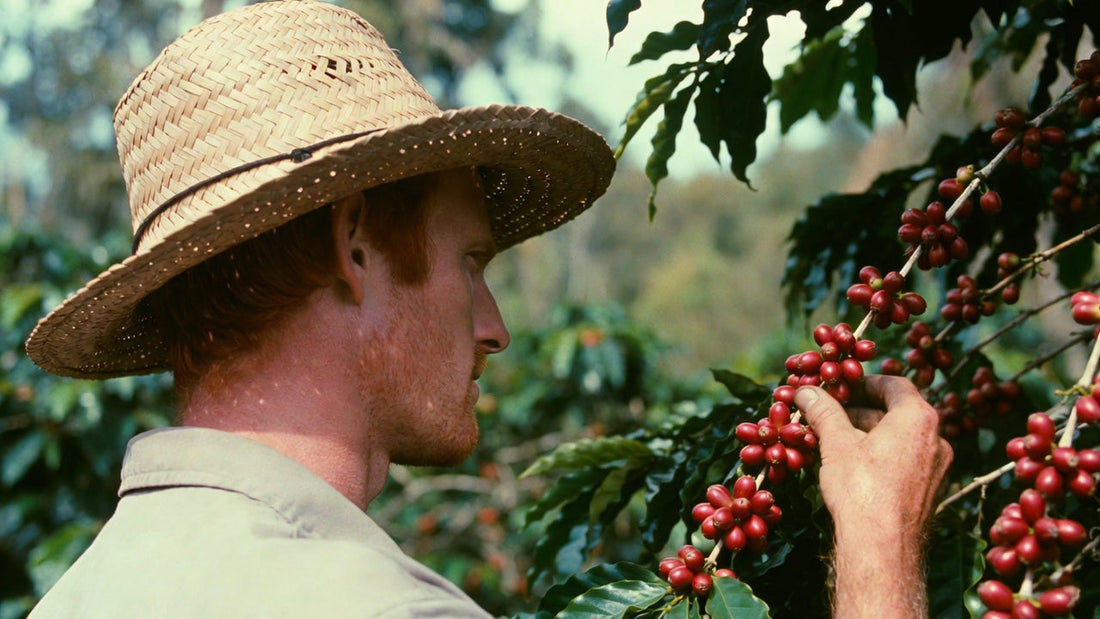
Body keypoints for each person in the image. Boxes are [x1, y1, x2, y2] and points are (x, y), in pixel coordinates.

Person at [24, 1, 951, 617]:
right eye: (469, 262)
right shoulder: (376, 606)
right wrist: (878, 552)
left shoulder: (75, 597)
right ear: (355, 244)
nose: (495, 324)